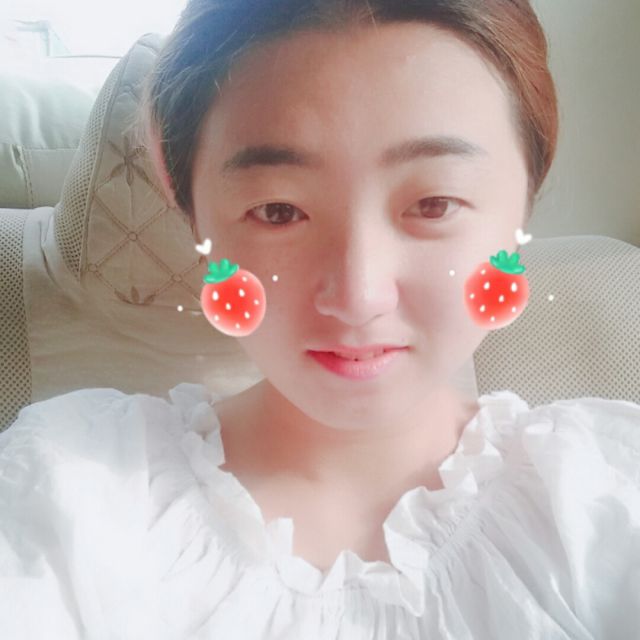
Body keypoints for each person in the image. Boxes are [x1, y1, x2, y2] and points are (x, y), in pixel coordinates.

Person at [1, 1, 639, 638]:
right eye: (278, 211)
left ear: (526, 194)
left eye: (434, 204)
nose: (358, 297)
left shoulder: (606, 491)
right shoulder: (72, 495)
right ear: (184, 196)